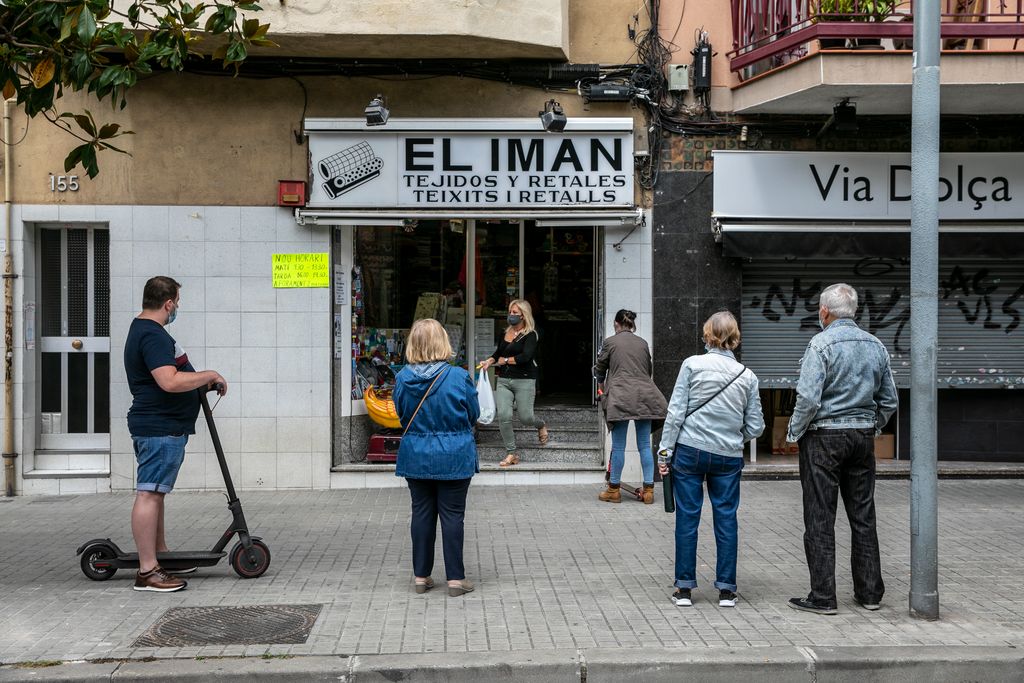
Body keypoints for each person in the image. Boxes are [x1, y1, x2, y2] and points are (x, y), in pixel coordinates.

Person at [786, 283, 898, 616]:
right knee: (863, 515)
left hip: (823, 439)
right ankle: (869, 594)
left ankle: (823, 596)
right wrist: (872, 425)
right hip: (862, 438)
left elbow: (808, 398)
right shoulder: (875, 344)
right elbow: (890, 399)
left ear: (824, 312)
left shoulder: (820, 344)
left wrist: (795, 432)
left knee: (820, 517)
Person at [124, 276, 227, 592]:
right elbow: (168, 381)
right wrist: (208, 374)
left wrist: (202, 384)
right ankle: (148, 571)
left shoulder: (143, 330)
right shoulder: (152, 335)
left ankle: (160, 555)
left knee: (155, 492)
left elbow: (171, 378)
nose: (177, 307)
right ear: (168, 303)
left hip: (162, 425)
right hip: (158, 426)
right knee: (149, 493)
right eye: (177, 302)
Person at [658, 311, 764, 608]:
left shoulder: (692, 365)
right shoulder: (748, 376)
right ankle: (727, 589)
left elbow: (676, 413)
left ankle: (683, 588)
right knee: (726, 518)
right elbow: (756, 427)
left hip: (690, 451)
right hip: (728, 456)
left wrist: (665, 451)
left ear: (708, 335)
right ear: (735, 337)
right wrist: (733, 436)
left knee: (688, 518)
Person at [393, 318, 479, 597]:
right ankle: (455, 579)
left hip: (416, 454)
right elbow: (473, 413)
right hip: (454, 455)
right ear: (442, 342)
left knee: (421, 513)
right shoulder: (458, 377)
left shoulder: (402, 379)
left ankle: (421, 576)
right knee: (453, 516)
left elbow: (401, 414)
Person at [594, 309, 667, 504]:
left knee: (619, 446)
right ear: (631, 324)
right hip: (645, 397)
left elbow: (600, 369)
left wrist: (601, 390)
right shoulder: (642, 343)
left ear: (616, 324)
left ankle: (614, 490)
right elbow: (648, 370)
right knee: (644, 444)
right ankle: (649, 490)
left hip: (620, 397)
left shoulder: (610, 342)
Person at [478, 299, 548, 467]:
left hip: (524, 379)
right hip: (504, 381)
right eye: (510, 312)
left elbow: (526, 357)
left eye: (515, 313)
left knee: (526, 417)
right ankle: (511, 453)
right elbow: (498, 353)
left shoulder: (531, 334)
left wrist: (505, 360)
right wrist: (489, 361)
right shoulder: (506, 332)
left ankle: (541, 425)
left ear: (523, 315)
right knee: (504, 416)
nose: (511, 315)